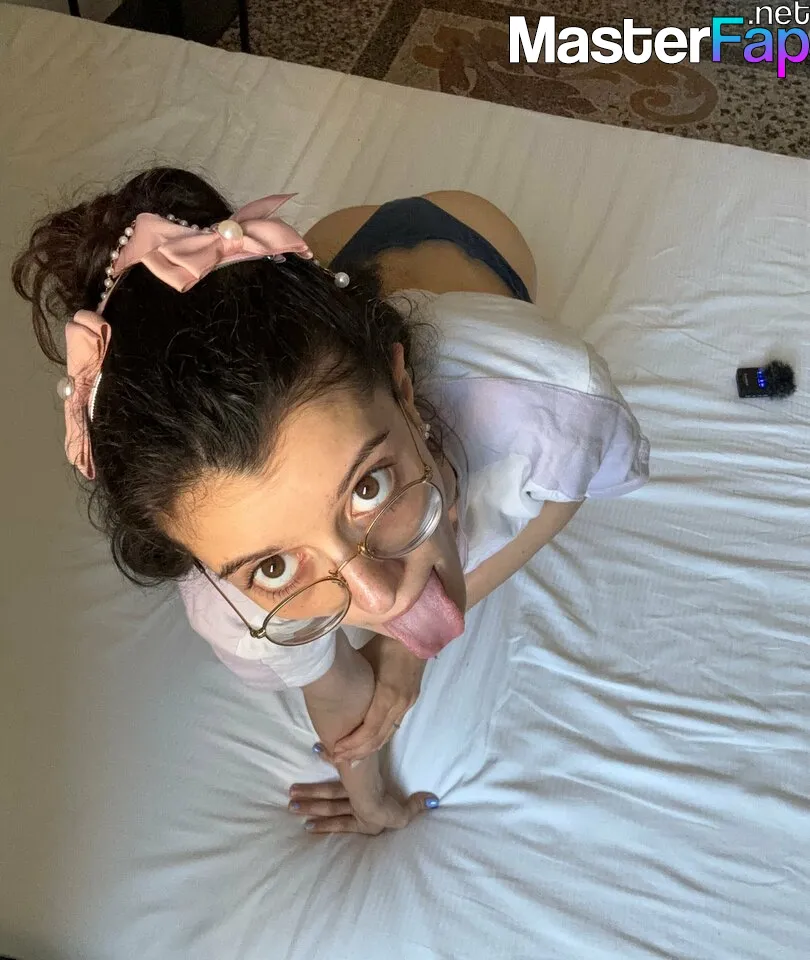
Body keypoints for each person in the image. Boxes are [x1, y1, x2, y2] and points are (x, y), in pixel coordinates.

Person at [12, 168, 650, 836]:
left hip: (471, 237)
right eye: (275, 567)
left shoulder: (553, 397)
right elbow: (336, 690)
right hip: (330, 268)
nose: (380, 599)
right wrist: (374, 808)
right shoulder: (232, 605)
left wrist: (406, 652)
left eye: (368, 486)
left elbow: (565, 492)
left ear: (404, 390)